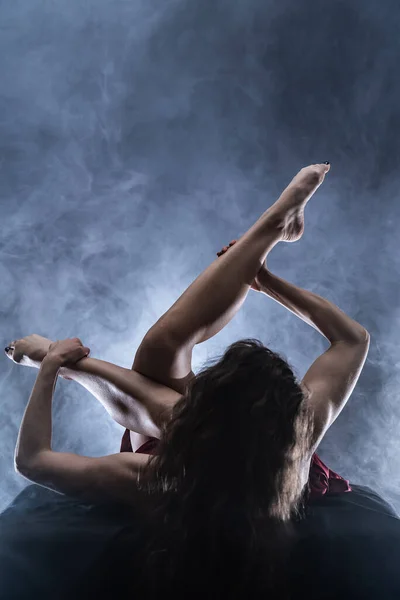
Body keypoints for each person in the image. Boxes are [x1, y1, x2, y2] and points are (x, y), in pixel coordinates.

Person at [5, 163, 372, 598]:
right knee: (159, 354)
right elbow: (353, 339)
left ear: (198, 417)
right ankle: (274, 228)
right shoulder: (296, 434)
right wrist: (267, 281)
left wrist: (50, 367)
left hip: (198, 472)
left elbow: (32, 460)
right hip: (261, 473)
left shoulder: (159, 477)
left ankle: (273, 228)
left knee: (158, 353)